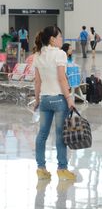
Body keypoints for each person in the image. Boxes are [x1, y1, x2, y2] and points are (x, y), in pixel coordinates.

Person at [33, 26, 76, 181]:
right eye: (60, 37)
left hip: (44, 99)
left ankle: (41, 168)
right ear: (52, 39)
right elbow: (62, 78)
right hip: (59, 99)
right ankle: (62, 169)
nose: (61, 40)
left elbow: (37, 81)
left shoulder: (38, 55)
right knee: (60, 135)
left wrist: (37, 99)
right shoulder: (60, 54)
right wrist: (69, 98)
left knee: (42, 134)